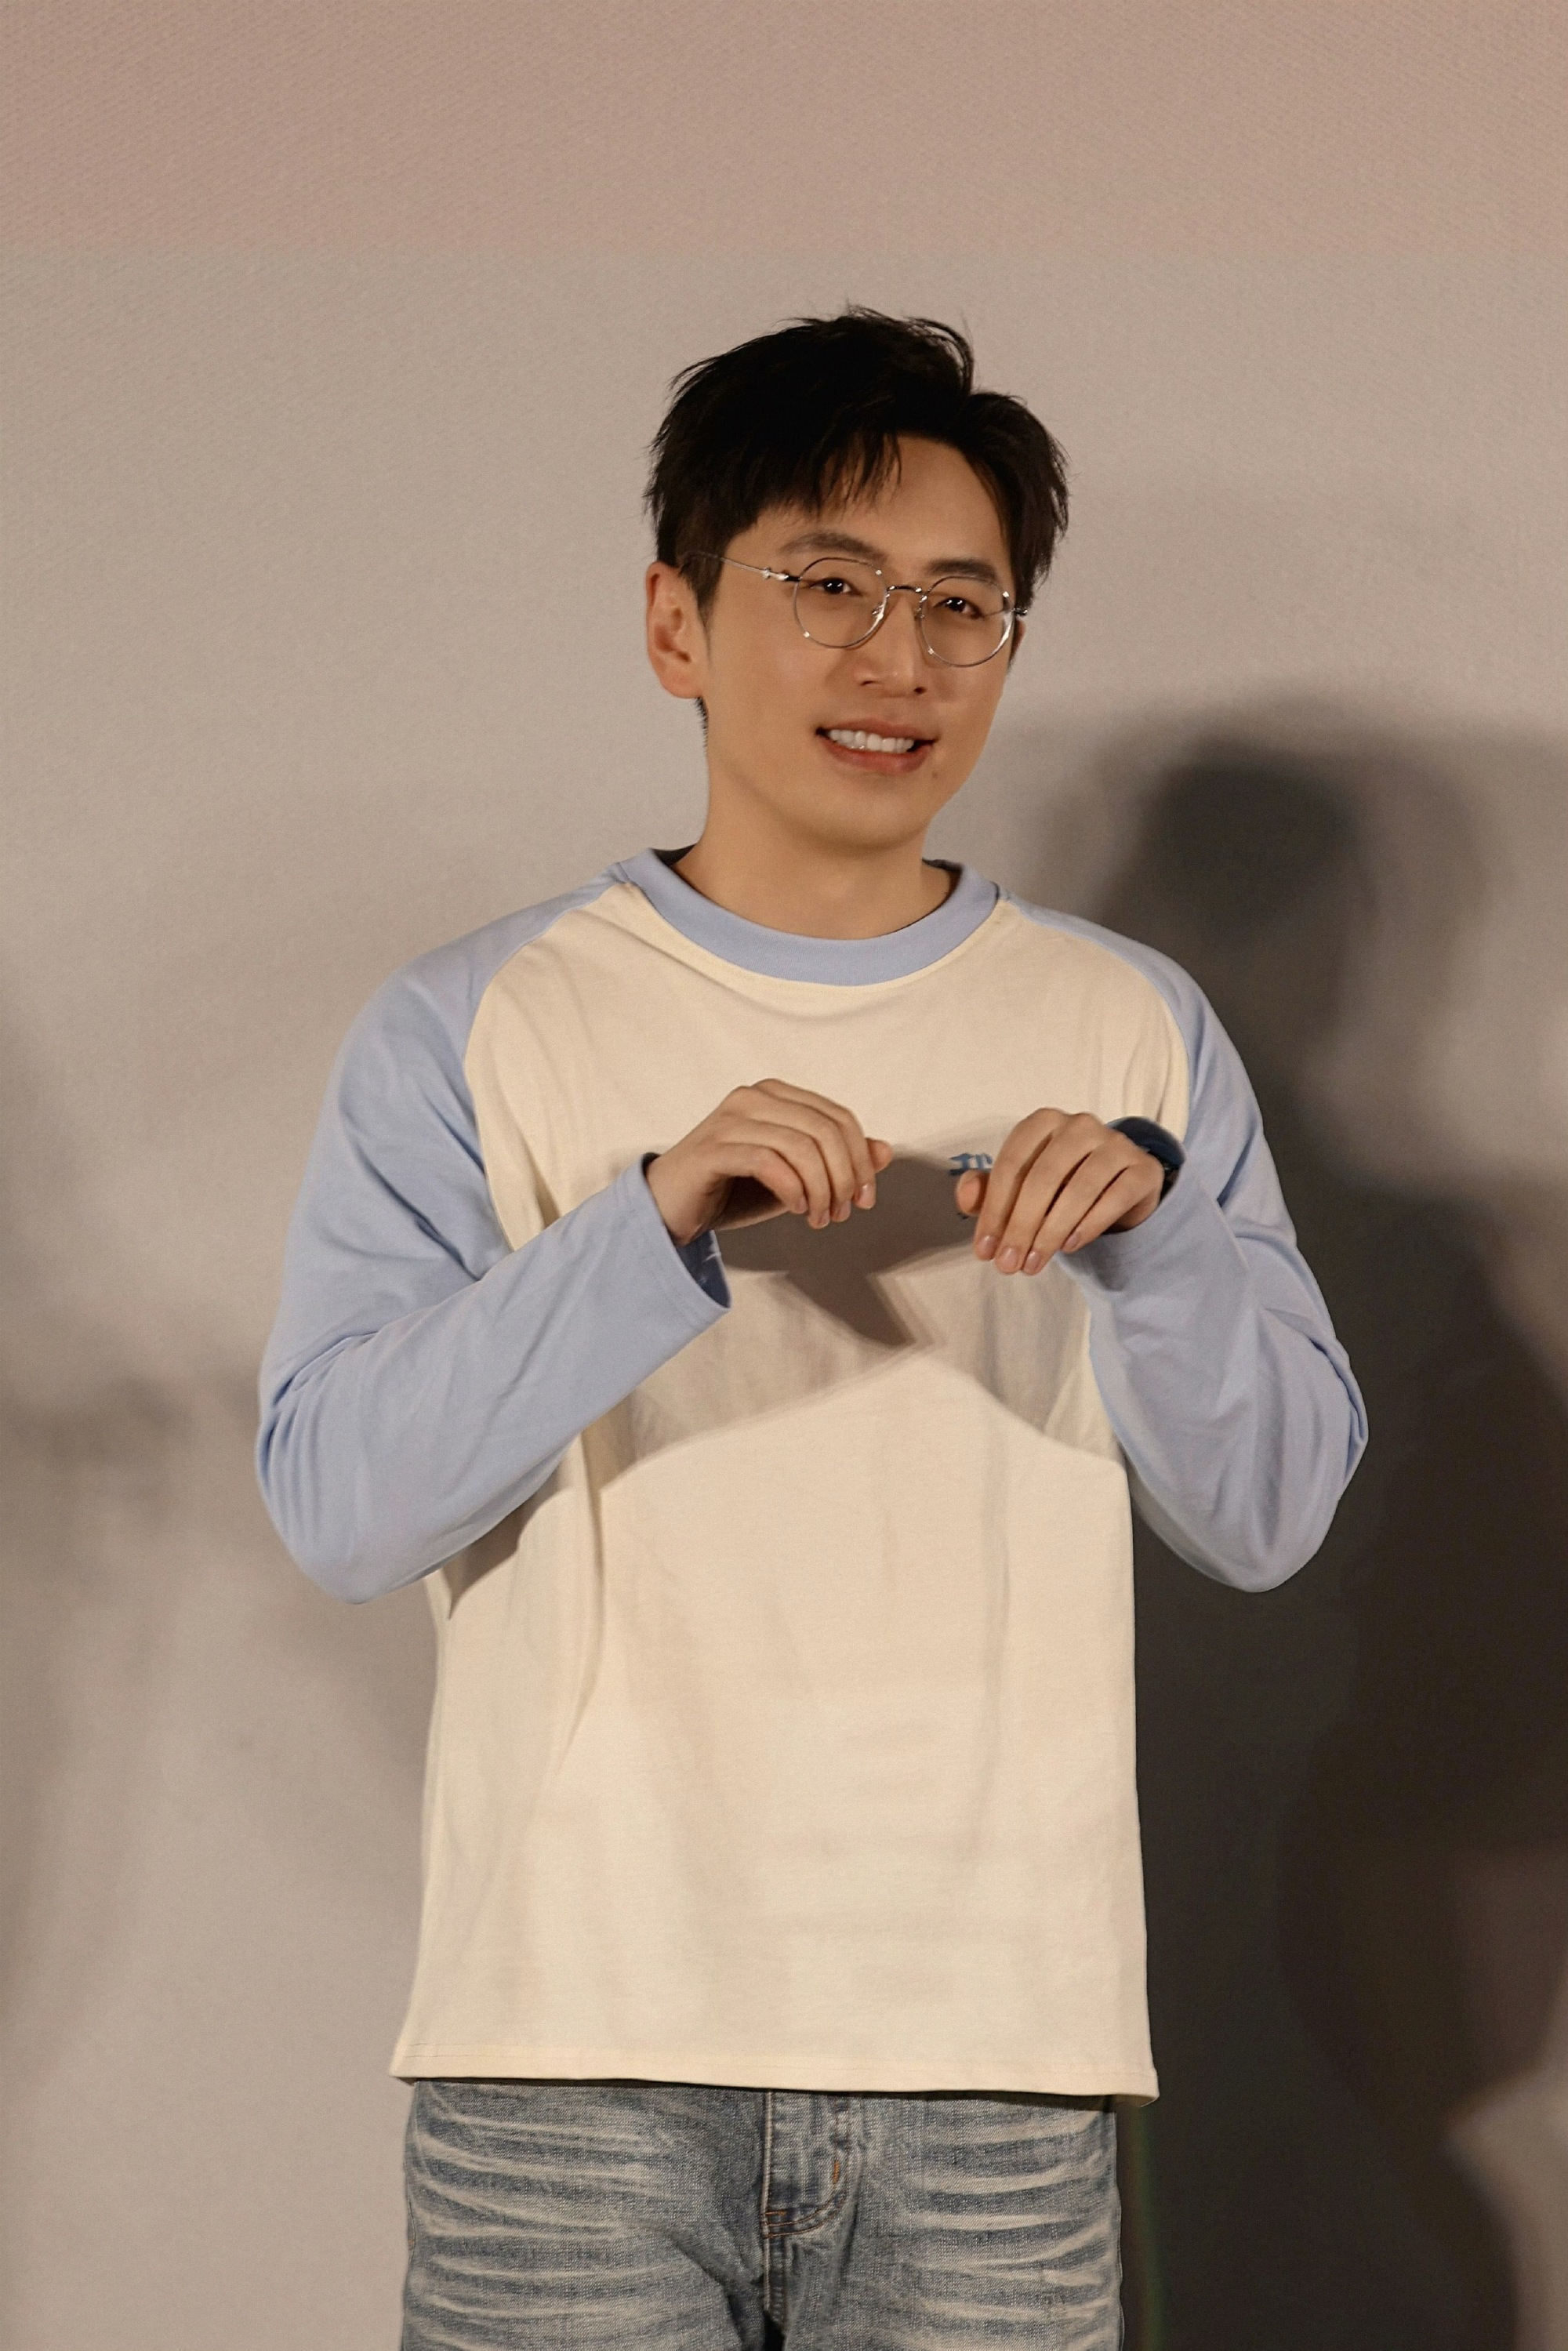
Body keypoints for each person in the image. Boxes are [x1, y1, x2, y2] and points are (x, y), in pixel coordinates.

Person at [257, 310, 1367, 2349]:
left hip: (998, 2051)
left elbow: (1272, 1514)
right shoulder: (478, 1019)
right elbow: (339, 1506)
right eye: (831, 586)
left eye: (961, 604)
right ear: (676, 624)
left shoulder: (1131, 1028)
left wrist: (1161, 1244)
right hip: (569, 2049)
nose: (902, 657)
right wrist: (649, 1223)